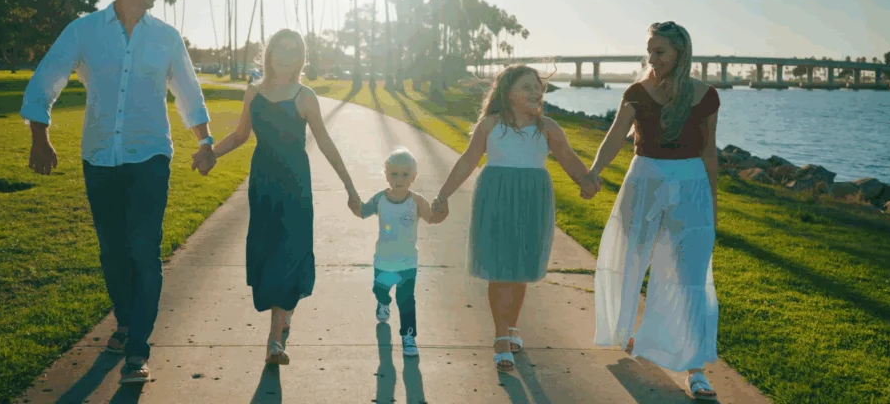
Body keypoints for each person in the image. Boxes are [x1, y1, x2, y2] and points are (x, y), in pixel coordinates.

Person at [21, 0, 216, 384]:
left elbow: (188, 91)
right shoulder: (84, 31)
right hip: (100, 160)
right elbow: (46, 78)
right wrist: (40, 136)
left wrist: (205, 142)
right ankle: (126, 323)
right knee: (113, 251)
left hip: (150, 158)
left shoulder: (166, 37)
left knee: (144, 251)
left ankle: (136, 351)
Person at [430, 65, 598, 372]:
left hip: (533, 199)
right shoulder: (490, 125)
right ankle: (500, 337)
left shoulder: (547, 127)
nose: (535, 93)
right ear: (507, 93)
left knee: (520, 269)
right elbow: (469, 160)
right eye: (527, 87)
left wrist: (586, 181)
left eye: (538, 87)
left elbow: (568, 157)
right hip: (496, 197)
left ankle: (511, 326)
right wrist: (443, 195)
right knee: (499, 267)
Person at [586, 21, 720, 401]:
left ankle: (695, 368)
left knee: (689, 274)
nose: (652, 58)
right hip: (644, 179)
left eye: (659, 51)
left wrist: (712, 202)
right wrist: (594, 173)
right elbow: (615, 136)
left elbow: (710, 152)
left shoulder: (706, 96)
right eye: (649, 51)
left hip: (692, 183)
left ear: (680, 52)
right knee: (631, 257)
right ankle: (626, 331)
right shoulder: (636, 93)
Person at [209, 28, 360, 365]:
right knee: (266, 249)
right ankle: (283, 312)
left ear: (301, 57)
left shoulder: (305, 96)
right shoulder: (254, 93)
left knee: (289, 250)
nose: (288, 55)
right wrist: (211, 154)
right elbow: (239, 135)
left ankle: (275, 339)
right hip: (263, 181)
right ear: (271, 53)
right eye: (282, 48)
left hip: (295, 182)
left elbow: (325, 143)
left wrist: (350, 188)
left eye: (295, 50)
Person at [352, 147, 437, 357]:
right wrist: (352, 201)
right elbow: (362, 212)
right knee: (380, 289)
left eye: (405, 175)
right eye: (394, 174)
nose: (399, 179)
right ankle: (383, 302)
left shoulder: (417, 201)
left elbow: (432, 218)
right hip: (383, 260)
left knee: (406, 300)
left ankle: (408, 336)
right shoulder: (380, 199)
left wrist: (442, 208)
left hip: (408, 262)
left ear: (414, 177)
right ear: (386, 175)